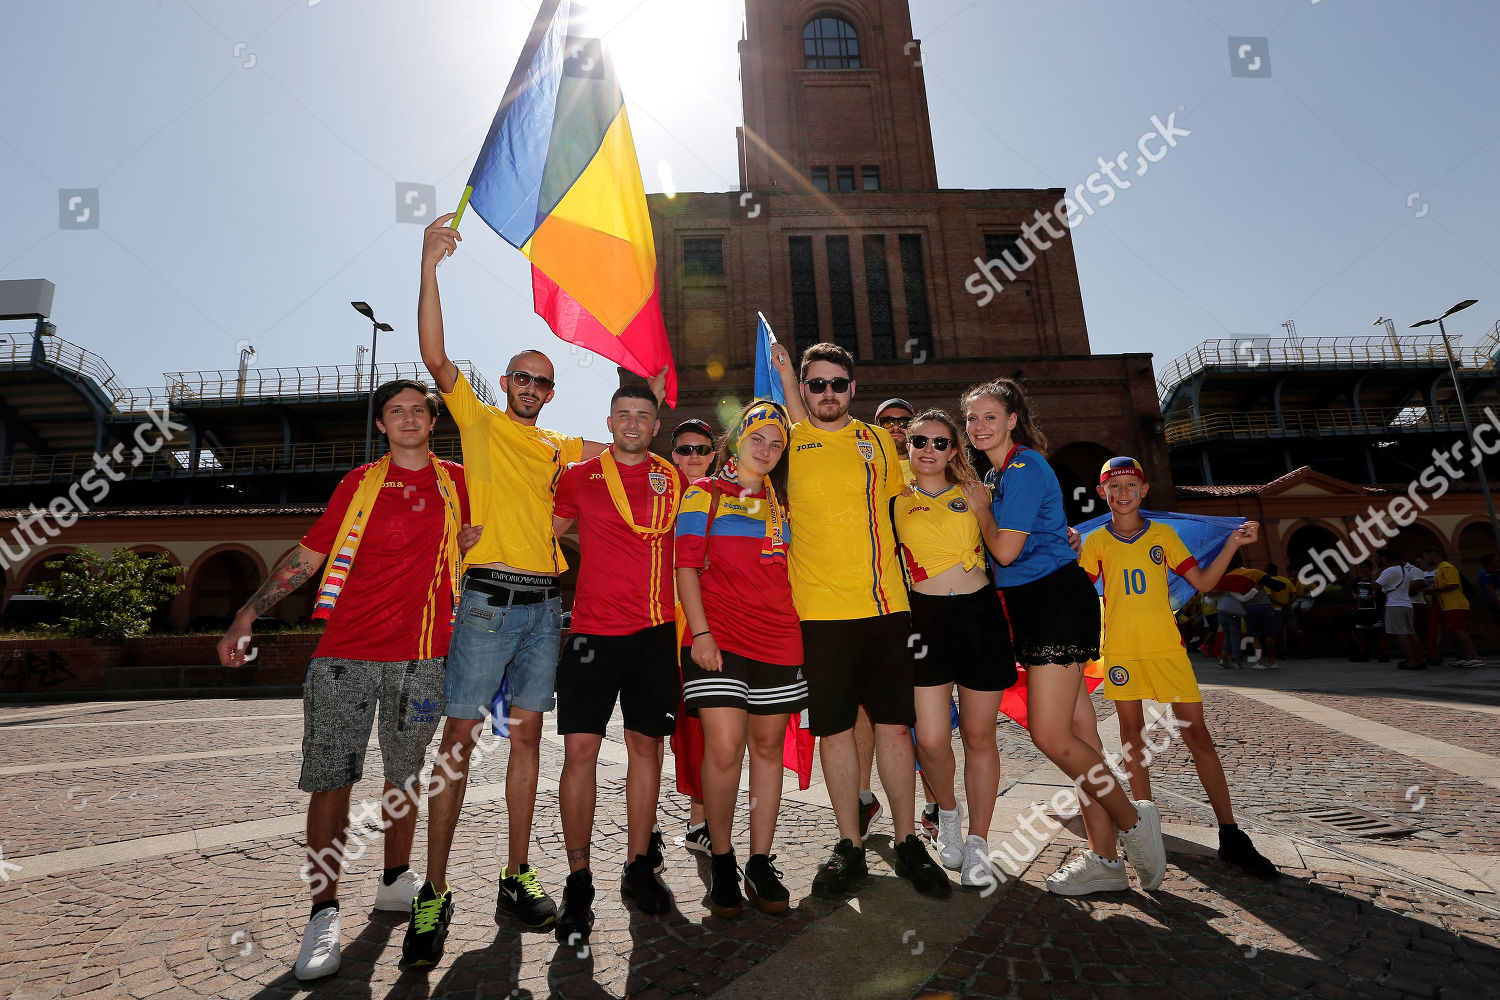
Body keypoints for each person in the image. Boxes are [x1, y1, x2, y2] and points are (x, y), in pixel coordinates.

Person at [408, 213, 667, 962]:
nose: (528, 386)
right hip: (488, 601)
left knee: (527, 741)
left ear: (552, 395)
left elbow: (634, 449)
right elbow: (434, 352)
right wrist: (429, 266)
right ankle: (434, 890)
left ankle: (516, 872)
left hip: (547, 612)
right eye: (520, 375)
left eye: (541, 381)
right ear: (507, 382)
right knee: (458, 741)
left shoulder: (561, 447)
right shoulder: (479, 420)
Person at [217, 380, 468, 980]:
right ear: (381, 426)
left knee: (404, 775)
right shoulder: (357, 485)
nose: (408, 418)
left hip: (424, 658)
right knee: (331, 782)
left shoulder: (459, 483)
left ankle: (393, 879)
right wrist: (248, 612)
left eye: (418, 410)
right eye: (395, 411)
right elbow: (308, 557)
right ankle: (323, 912)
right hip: (344, 656)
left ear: (433, 422)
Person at [960, 378, 1167, 896]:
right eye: (972, 419)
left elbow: (1005, 551)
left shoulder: (1025, 467)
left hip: (1051, 602)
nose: (979, 426)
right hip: (1037, 604)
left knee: (1049, 734)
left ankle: (1133, 823)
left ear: (1012, 419)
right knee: (1084, 739)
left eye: (989, 416)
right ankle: (1105, 862)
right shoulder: (1001, 473)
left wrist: (982, 509)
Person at [771, 342, 950, 899]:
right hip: (820, 614)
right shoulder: (786, 442)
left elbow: (924, 496)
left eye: (837, 384)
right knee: (835, 731)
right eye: (816, 384)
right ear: (803, 391)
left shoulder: (876, 440)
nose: (828, 393)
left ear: (853, 389)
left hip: (885, 609)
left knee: (896, 727)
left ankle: (906, 842)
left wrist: (984, 515)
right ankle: (849, 843)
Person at [1080, 457, 1279, 883]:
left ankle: (1230, 832)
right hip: (1122, 654)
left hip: (1167, 650)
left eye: (1131, 484)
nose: (1123, 493)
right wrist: (1064, 549)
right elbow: (1077, 592)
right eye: (1113, 487)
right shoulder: (1095, 541)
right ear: (1102, 494)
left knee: (1197, 734)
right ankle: (1145, 832)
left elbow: (1204, 584)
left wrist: (1233, 545)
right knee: (1132, 738)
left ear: (1144, 490)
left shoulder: (1163, 535)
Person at [550, 385, 686, 944]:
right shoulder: (580, 475)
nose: (633, 423)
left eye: (643, 416)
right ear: (609, 422)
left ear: (655, 426)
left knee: (645, 749)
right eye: (624, 415)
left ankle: (637, 865)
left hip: (655, 635)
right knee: (580, 752)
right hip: (590, 635)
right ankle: (579, 878)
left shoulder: (673, 478)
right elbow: (545, 536)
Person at [675, 400, 805, 918]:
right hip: (718, 639)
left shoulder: (786, 503)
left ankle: (759, 859)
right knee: (725, 748)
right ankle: (723, 858)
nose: (768, 450)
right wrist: (701, 632)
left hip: (780, 639)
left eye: (777, 443)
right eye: (759, 439)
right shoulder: (702, 494)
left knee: (769, 749)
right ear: (737, 440)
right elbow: (686, 569)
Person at [896, 409, 1016, 888]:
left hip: (978, 614)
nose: (929, 449)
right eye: (919, 441)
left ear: (954, 450)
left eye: (940, 442)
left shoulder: (976, 492)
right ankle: (947, 813)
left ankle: (979, 842)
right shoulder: (892, 499)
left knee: (979, 737)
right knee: (929, 738)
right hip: (924, 621)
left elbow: (1016, 539)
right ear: (908, 447)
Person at [853, 397, 919, 836]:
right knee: (861, 708)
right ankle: (861, 797)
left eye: (903, 421)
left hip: (920, 603)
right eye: (886, 421)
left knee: (919, 715)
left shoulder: (930, 467)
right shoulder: (864, 468)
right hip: (867, 600)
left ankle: (932, 810)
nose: (895, 427)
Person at [666, 418, 717, 853]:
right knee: (647, 734)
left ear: (714, 454)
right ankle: (644, 834)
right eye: (684, 450)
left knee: (699, 730)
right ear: (672, 454)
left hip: (701, 633)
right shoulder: (659, 498)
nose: (693, 457)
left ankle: (700, 822)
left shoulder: (724, 498)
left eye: (702, 449)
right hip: (654, 630)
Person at [1420, 548, 1483, 668]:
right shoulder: (1440, 569)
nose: (1424, 560)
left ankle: (1475, 657)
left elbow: (1453, 585)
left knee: (1459, 631)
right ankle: (1464, 657)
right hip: (1448, 605)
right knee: (1455, 632)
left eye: (1425, 557)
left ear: (1433, 555)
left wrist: (1433, 589)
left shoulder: (1446, 567)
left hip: (1455, 604)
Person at [1375, 549, 1428, 670]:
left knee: (1401, 634)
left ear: (1385, 559)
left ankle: (1411, 661)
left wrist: (1375, 575)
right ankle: (1420, 659)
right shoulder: (1406, 571)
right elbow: (1409, 588)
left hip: (1394, 605)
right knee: (1411, 633)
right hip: (1407, 604)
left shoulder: (1389, 570)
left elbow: (1375, 586)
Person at [1349, 562, 1389, 663]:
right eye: (1360, 568)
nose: (1362, 570)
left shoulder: (1375, 579)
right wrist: (1355, 595)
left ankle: (1384, 654)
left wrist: (1367, 598)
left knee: (1380, 631)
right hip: (1362, 610)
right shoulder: (1357, 580)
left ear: (1370, 568)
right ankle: (1363, 654)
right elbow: (1353, 591)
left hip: (1375, 610)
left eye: (1364, 568)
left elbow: (1378, 593)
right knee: (1360, 631)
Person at [1478, 554, 1500, 624]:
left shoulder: (1491, 572)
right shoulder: (1486, 574)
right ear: (1491, 562)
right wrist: (1498, 604)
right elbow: (1491, 591)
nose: (1498, 563)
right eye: (1497, 561)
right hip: (1494, 602)